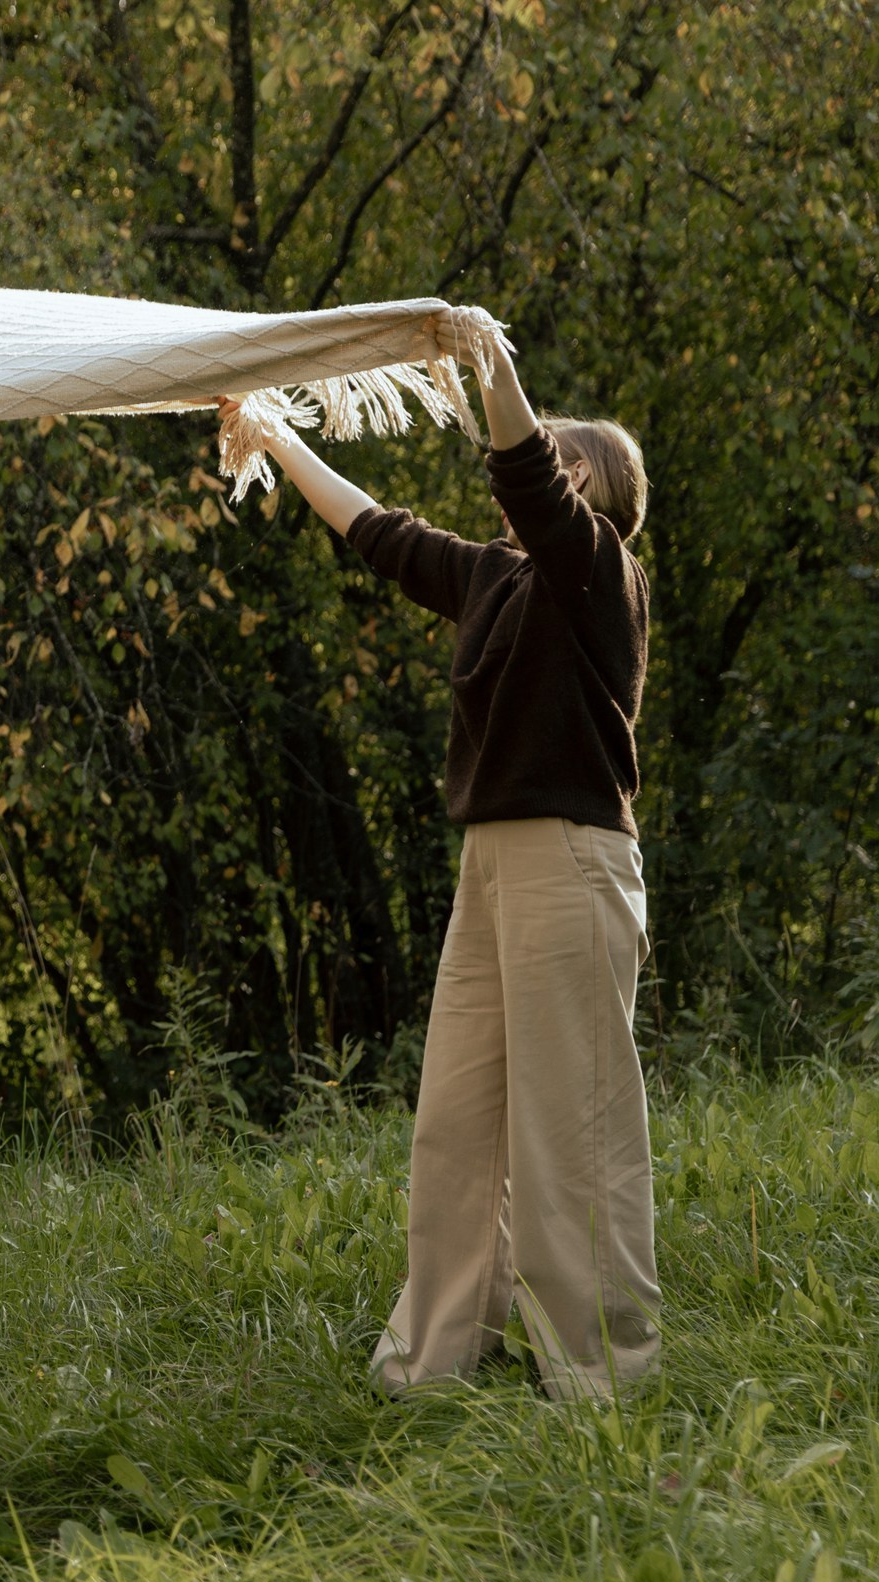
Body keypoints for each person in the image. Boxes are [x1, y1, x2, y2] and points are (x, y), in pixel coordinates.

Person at [219, 339, 657, 1402]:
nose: (541, 458)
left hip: (571, 854)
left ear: (595, 490)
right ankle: (437, 1359)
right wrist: (273, 435)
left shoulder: (597, 566)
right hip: (493, 862)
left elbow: (525, 474)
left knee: (571, 1122)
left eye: (565, 456)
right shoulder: (493, 575)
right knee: (456, 1120)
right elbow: (379, 532)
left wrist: (490, 360)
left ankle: (601, 1374)